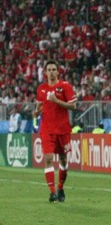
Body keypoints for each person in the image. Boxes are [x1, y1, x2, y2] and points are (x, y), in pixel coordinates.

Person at [34, 60, 77, 202]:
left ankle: (60, 187)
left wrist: (56, 101)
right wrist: (36, 112)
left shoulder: (65, 86)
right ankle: (52, 192)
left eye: (54, 69)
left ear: (58, 72)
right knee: (48, 158)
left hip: (63, 129)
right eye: (49, 70)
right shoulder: (41, 88)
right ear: (45, 72)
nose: (51, 72)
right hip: (47, 129)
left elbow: (73, 106)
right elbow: (41, 106)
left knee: (63, 160)